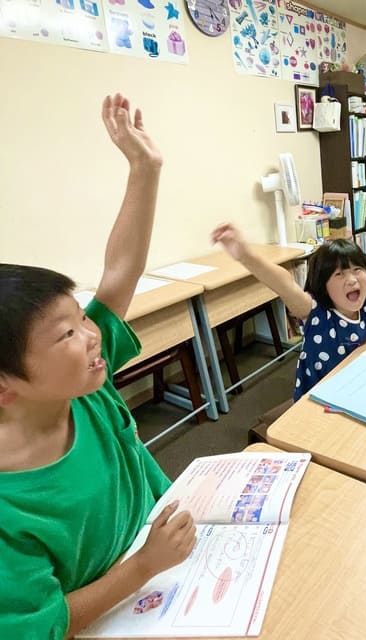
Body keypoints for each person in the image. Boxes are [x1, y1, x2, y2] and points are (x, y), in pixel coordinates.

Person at [0, 94, 197, 638]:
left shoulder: (80, 384)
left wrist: (144, 169)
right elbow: (44, 625)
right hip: (128, 595)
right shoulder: (9, 505)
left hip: (168, 544)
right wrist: (144, 566)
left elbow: (119, 272)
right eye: (67, 332)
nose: (92, 335)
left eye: (79, 317)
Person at [210, 224, 366, 401]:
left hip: (354, 391)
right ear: (324, 285)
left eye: (357, 270)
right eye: (339, 274)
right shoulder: (315, 314)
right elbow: (284, 283)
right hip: (316, 401)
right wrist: (245, 255)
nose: (351, 279)